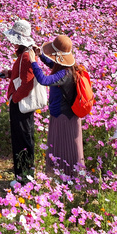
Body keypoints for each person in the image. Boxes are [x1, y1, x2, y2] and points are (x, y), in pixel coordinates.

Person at [27, 35, 84, 177]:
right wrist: (40, 56)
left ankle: (69, 176)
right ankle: (65, 175)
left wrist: (33, 61)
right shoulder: (68, 68)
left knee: (65, 148)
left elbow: (44, 80)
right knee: (63, 147)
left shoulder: (64, 74)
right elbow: (53, 65)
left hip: (64, 117)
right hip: (63, 115)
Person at [1, 19, 37, 186]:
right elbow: (22, 76)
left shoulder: (26, 56)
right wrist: (9, 73)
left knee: (22, 139)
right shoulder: (25, 54)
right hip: (20, 102)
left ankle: (23, 177)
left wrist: (15, 99)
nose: (12, 43)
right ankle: (24, 175)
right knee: (23, 137)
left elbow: (28, 83)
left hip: (21, 104)